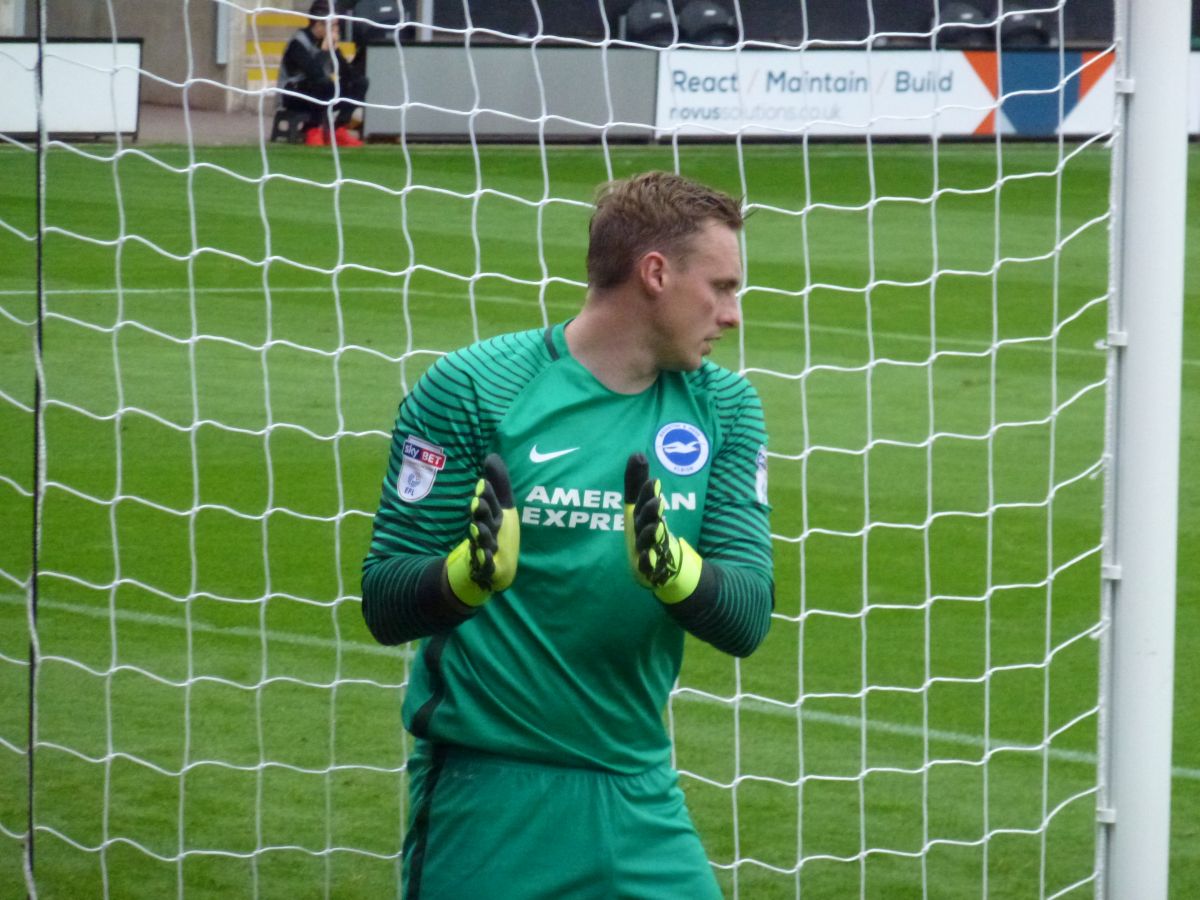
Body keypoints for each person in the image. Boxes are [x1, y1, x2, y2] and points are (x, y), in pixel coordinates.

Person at [361, 171, 775, 899]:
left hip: (639, 791)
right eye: (722, 286)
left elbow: (747, 616)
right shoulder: (471, 389)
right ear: (655, 273)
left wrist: (674, 571)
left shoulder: (727, 408)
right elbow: (385, 600)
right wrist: (467, 577)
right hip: (487, 798)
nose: (732, 314)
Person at [278, 0, 368, 146]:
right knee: (322, 83)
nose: (336, 29)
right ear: (319, 24)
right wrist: (325, 50)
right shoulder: (298, 43)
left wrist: (336, 51)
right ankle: (312, 129)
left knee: (360, 82)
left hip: (321, 91)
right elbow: (314, 73)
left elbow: (347, 75)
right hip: (293, 94)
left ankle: (338, 129)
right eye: (333, 25)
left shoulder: (327, 42)